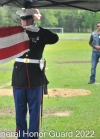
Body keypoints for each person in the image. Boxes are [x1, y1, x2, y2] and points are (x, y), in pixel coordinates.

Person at [12, 9, 59, 139]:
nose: (26, 22)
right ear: (21, 20)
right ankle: (21, 136)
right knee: (20, 111)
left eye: (28, 19)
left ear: (33, 19)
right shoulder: (17, 33)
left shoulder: (40, 33)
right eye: (23, 19)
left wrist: (39, 30)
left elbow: (54, 38)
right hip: (19, 76)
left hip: (35, 76)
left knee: (34, 111)